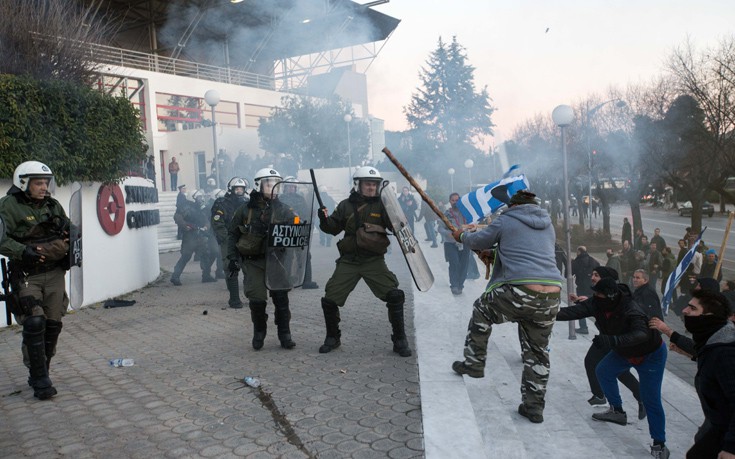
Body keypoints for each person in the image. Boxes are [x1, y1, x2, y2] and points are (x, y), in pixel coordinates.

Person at [450, 190, 562, 424]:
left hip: (520, 290)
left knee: (482, 310)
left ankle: (473, 363)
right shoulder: (547, 224)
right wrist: (494, 254)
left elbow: (479, 240)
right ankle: (534, 408)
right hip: (551, 295)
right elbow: (527, 253)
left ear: (513, 205)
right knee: (537, 352)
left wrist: (461, 236)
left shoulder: (508, 218)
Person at [556, 277, 670, 459]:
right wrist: (542, 313)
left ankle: (659, 443)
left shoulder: (631, 308)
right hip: (624, 351)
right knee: (603, 370)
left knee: (651, 398)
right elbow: (574, 312)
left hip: (650, 355)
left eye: (598, 294)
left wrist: (612, 340)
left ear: (610, 296)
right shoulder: (598, 303)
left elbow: (641, 334)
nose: (595, 297)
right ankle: (617, 411)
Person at [316, 166, 412, 357]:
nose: (371, 187)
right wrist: (324, 219)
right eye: (367, 184)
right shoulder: (345, 205)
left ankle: (400, 339)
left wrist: (398, 217)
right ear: (358, 185)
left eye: (374, 184)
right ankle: (333, 337)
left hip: (373, 261)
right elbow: (332, 228)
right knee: (330, 298)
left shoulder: (383, 205)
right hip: (349, 261)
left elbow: (397, 227)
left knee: (394, 295)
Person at [0, 161, 73, 400]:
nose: (44, 187)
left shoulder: (53, 206)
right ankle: (39, 377)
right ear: (23, 182)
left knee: (53, 325)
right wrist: (23, 252)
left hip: (54, 274)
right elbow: (1, 240)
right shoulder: (8, 206)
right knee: (34, 322)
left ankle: (42, 368)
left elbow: (72, 229)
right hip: (26, 274)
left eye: (46, 182)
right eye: (38, 183)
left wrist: (70, 235)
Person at [227, 168, 296, 350]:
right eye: (269, 183)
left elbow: (297, 232)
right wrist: (232, 258)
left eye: (276, 183)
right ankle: (259, 332)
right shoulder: (245, 210)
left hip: (276, 260)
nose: (273, 187)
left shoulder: (285, 210)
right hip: (253, 261)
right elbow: (232, 234)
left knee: (281, 298)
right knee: (257, 299)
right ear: (259, 185)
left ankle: (284, 334)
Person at [569, 266, 646, 419]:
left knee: (596, 363)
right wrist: (583, 302)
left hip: (615, 338)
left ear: (605, 278)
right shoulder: (606, 293)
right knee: (617, 371)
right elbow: (598, 306)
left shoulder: (618, 295)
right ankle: (637, 398)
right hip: (610, 337)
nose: (592, 277)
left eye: (596, 275)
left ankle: (604, 398)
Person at [680, 290, 735, 459]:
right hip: (719, 425)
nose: (684, 311)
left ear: (708, 316)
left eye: (692, 308)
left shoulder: (725, 353)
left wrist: (731, 448)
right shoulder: (710, 341)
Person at [211, 177, 249, 309]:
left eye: (241, 189)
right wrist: (227, 239)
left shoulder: (247, 203)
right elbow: (217, 222)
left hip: (245, 240)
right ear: (231, 189)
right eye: (237, 188)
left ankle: (252, 296)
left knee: (249, 268)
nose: (239, 191)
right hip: (229, 240)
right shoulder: (222, 203)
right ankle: (234, 299)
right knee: (231, 268)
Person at [280, 177, 318, 289]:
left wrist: (305, 221)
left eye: (293, 187)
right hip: (286, 232)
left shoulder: (300, 199)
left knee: (305, 255)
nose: (291, 189)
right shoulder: (280, 199)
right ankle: (285, 281)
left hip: (299, 231)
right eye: (289, 187)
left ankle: (306, 281)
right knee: (288, 256)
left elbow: (306, 214)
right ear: (285, 188)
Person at [170, 190, 216, 285]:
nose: (201, 199)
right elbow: (177, 217)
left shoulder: (200, 208)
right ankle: (175, 276)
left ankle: (206, 276)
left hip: (201, 235)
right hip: (190, 235)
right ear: (193, 197)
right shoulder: (185, 207)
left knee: (206, 255)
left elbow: (206, 220)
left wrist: (206, 227)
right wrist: (185, 225)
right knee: (186, 256)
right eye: (199, 197)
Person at [437, 193, 471, 295]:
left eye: (457, 200)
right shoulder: (446, 214)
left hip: (465, 242)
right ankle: (454, 285)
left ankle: (460, 285)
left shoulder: (467, 213)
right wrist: (450, 234)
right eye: (453, 200)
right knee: (454, 263)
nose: (455, 202)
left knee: (464, 265)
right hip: (450, 243)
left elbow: (473, 225)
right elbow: (440, 228)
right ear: (450, 201)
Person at [571, 246, 599, 334]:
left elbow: (568, 273)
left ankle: (583, 327)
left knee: (581, 308)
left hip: (582, 288)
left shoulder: (576, 262)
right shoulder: (593, 260)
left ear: (579, 252)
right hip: (593, 287)